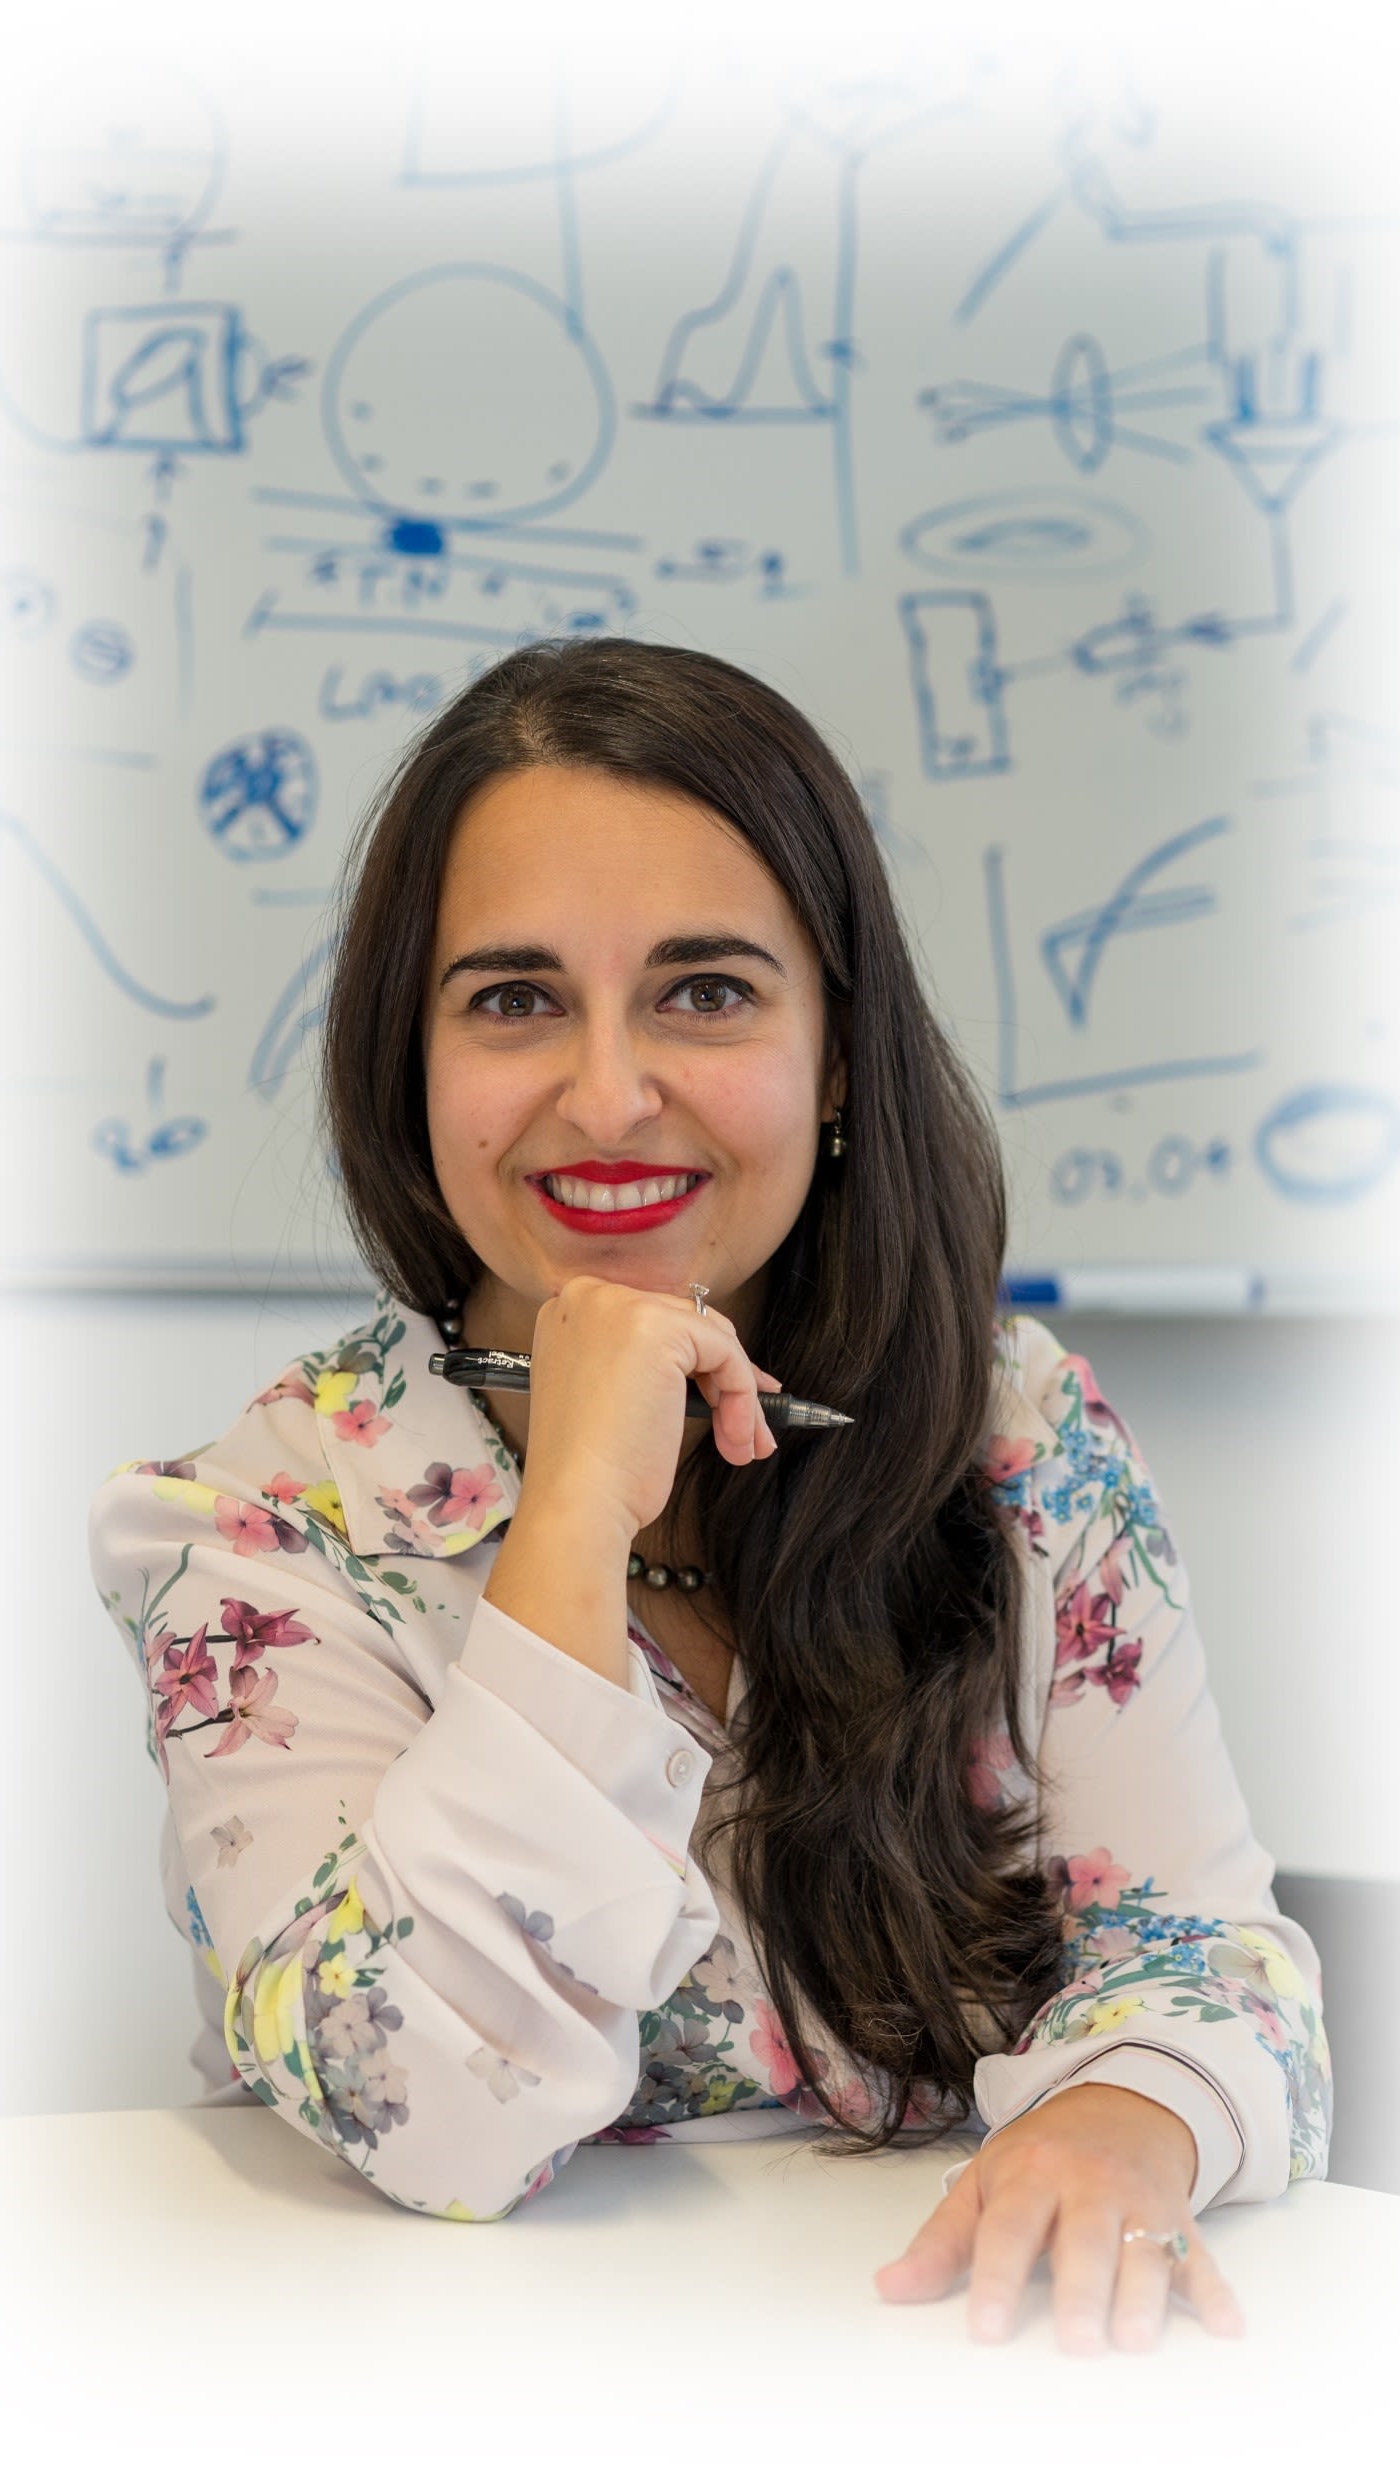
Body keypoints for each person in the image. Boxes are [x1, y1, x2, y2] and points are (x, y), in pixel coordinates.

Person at [86, 637, 1329, 2356]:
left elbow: (1210, 1956)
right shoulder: (245, 1537)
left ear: (833, 1059)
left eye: (705, 991)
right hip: (448, 2388)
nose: (605, 1093)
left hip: (946, 2371)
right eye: (512, 998)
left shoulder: (1010, 1429)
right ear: (410, 1067)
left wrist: (1125, 2120)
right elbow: (438, 2116)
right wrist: (569, 1527)